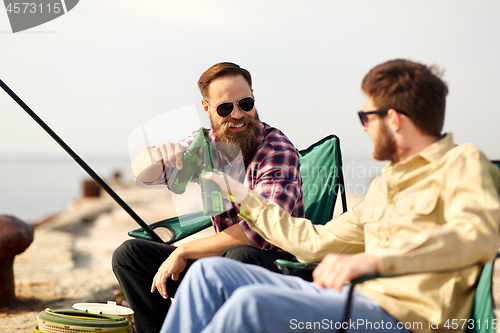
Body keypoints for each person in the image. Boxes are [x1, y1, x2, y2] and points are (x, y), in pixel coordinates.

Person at [160, 59, 500, 333]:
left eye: (367, 117)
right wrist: (243, 196)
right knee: (208, 275)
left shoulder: (462, 162)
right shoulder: (385, 185)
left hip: (405, 318)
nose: (364, 127)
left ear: (394, 120)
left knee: (251, 305)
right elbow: (313, 241)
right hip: (356, 300)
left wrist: (373, 261)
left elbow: (478, 236)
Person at [112, 62, 306, 333]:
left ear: (253, 98)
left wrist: (185, 250)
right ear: (207, 109)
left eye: (245, 103)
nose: (238, 114)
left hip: (274, 266)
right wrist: (155, 155)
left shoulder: (277, 149)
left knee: (239, 256)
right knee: (129, 255)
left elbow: (261, 231)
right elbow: (144, 173)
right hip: (220, 261)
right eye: (225, 108)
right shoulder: (207, 146)